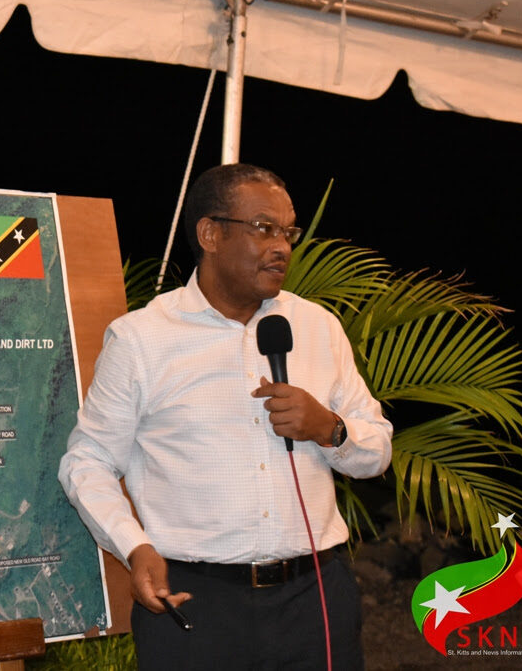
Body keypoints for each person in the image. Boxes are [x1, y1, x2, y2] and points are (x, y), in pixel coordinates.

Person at [58, 163, 392, 669]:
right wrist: (134, 547)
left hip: (316, 598)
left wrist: (330, 428)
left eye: (288, 232)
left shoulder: (318, 327)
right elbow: (87, 461)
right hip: (195, 602)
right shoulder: (143, 339)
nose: (282, 247)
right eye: (264, 228)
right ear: (210, 234)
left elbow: (377, 450)